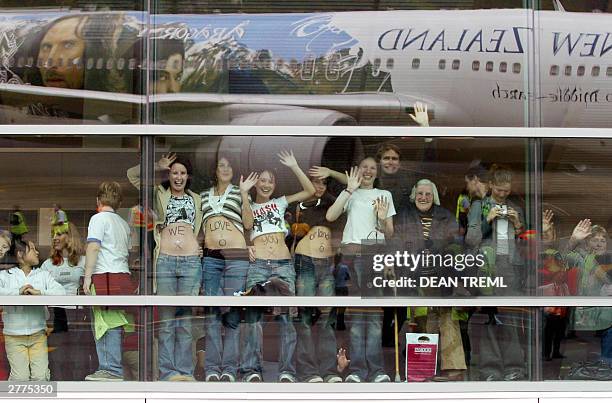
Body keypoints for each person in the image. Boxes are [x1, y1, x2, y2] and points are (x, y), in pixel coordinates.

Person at [241, 150, 315, 383]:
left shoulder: (279, 202)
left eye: (270, 181)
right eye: (262, 180)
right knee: (253, 319)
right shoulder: (250, 204)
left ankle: (287, 372)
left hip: (283, 264)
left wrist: (294, 165)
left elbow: (310, 191)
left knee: (286, 319)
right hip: (259, 264)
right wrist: (244, 194)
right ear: (255, 184)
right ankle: (252, 370)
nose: (266, 184)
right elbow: (247, 223)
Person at [128, 153, 202, 381]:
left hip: (191, 262)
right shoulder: (159, 194)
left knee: (185, 323)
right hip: (166, 260)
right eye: (174, 172)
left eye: (182, 173)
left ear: (188, 176)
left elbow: (206, 225)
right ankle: (168, 373)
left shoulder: (197, 199)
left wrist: (200, 244)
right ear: (168, 175)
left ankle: (185, 372)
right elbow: (133, 176)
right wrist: (157, 166)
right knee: (168, 321)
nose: (178, 177)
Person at [325, 158, 395, 383]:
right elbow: (331, 216)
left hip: (373, 253)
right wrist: (348, 190)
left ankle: (375, 370)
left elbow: (390, 233)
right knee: (356, 315)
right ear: (357, 171)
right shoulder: (351, 192)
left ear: (376, 173)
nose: (367, 170)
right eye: (364, 166)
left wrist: (383, 219)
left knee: (373, 315)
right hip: (350, 255)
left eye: (372, 168)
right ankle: (356, 369)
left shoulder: (385, 195)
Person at [395, 179, 466, 381]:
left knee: (446, 320)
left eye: (427, 194)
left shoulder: (445, 216)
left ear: (433, 196)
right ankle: (425, 370)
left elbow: (454, 239)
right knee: (420, 321)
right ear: (414, 195)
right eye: (420, 193)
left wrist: (436, 245)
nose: (423, 197)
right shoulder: (405, 216)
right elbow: (397, 240)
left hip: (440, 275)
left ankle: (453, 369)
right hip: (414, 276)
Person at [465, 164, 527, 381]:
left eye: (506, 190)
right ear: (490, 185)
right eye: (499, 189)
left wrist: (518, 225)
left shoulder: (515, 208)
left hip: (509, 267)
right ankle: (490, 370)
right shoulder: (478, 206)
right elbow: (470, 240)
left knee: (509, 318)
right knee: (490, 319)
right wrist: (487, 219)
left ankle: (514, 368)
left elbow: (525, 245)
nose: (502, 194)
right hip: (487, 267)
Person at [200, 155, 257, 382]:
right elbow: (198, 227)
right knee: (212, 314)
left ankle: (230, 370)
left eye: (229, 165)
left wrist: (244, 194)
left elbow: (249, 224)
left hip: (236, 256)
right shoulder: (203, 195)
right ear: (214, 170)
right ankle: (213, 369)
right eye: (221, 165)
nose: (225, 168)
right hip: (211, 258)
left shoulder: (238, 191)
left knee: (232, 314)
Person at [291, 176, 343, 383]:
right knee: (304, 318)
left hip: (326, 264)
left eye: (323, 183)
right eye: (315, 183)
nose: (319, 187)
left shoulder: (332, 204)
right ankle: (308, 371)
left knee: (327, 318)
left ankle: (329, 370)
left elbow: (342, 199)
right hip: (305, 262)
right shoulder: (301, 205)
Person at [83, 181, 133, 382]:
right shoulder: (122, 223)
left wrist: (87, 277)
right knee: (117, 321)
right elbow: (128, 251)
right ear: (119, 202)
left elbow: (93, 247)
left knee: (105, 322)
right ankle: (112, 366)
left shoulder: (98, 218)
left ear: (98, 200)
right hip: (122, 275)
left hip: (105, 276)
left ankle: (110, 368)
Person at [0, 239, 65, 381]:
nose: (37, 252)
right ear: (20, 255)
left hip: (38, 335)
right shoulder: (5, 275)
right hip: (13, 336)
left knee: (41, 377)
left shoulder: (43, 275)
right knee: (20, 378)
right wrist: (17, 291)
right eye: (32, 249)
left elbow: (61, 292)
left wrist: (40, 293)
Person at [40, 222, 92, 380]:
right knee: (57, 356)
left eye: (59, 234)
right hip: (55, 314)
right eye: (53, 235)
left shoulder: (84, 261)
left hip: (78, 313)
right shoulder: (47, 264)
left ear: (70, 237)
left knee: (78, 356)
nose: (55, 238)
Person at [565, 221, 612, 365]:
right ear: (587, 243)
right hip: (585, 313)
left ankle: (605, 367)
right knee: (584, 353)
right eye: (595, 240)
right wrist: (573, 240)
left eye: (602, 241)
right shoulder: (581, 257)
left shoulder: (610, 258)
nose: (599, 244)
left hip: (607, 314)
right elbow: (563, 259)